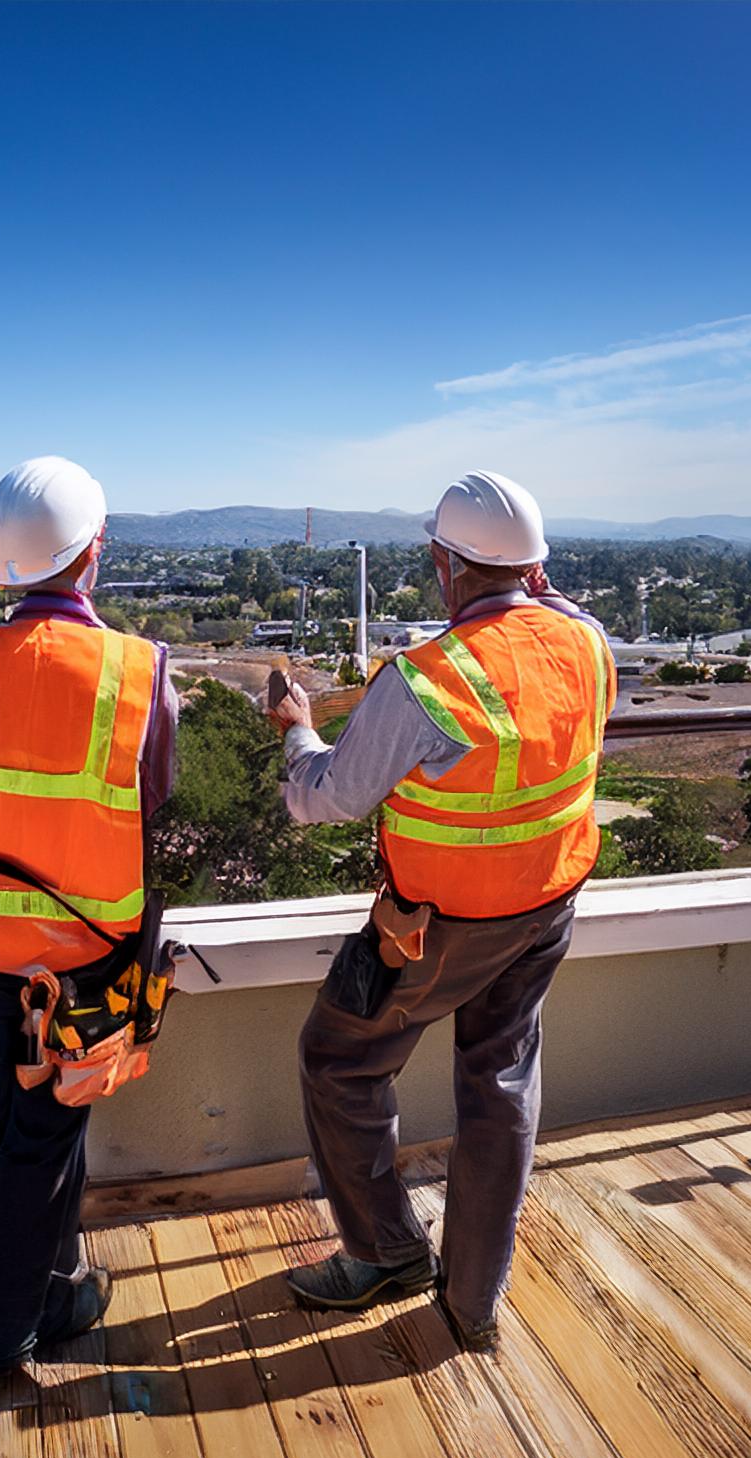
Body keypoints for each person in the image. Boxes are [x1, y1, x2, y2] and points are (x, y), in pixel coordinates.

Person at [268, 470, 612, 1351]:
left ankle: (387, 1252)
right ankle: (471, 1303)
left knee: (338, 1060)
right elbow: (557, 616)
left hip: (439, 927)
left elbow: (327, 799)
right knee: (498, 1086)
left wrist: (297, 728)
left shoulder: (425, 680)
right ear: (536, 568)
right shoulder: (588, 642)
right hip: (546, 905)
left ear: (442, 563)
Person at [0, 455, 183, 1374]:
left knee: (6, 1111)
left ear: (1, 567)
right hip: (85, 959)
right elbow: (155, 797)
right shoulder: (137, 674)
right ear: (93, 554)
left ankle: (51, 1283)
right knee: (46, 1133)